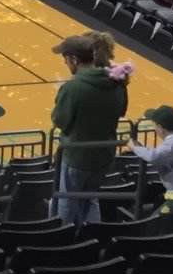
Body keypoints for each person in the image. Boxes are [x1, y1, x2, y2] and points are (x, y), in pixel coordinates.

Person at [50, 31, 130, 227]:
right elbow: (121, 111)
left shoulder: (74, 88)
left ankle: (62, 241)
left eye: (66, 59)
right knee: (90, 199)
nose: (65, 63)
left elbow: (60, 120)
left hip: (77, 156)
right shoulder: (117, 83)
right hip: (104, 156)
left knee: (66, 202)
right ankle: (93, 237)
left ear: (75, 60)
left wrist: (63, 96)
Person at [123, 106, 173, 230]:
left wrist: (134, 148)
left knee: (153, 226)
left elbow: (153, 156)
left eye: (155, 125)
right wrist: (141, 149)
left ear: (160, 128)